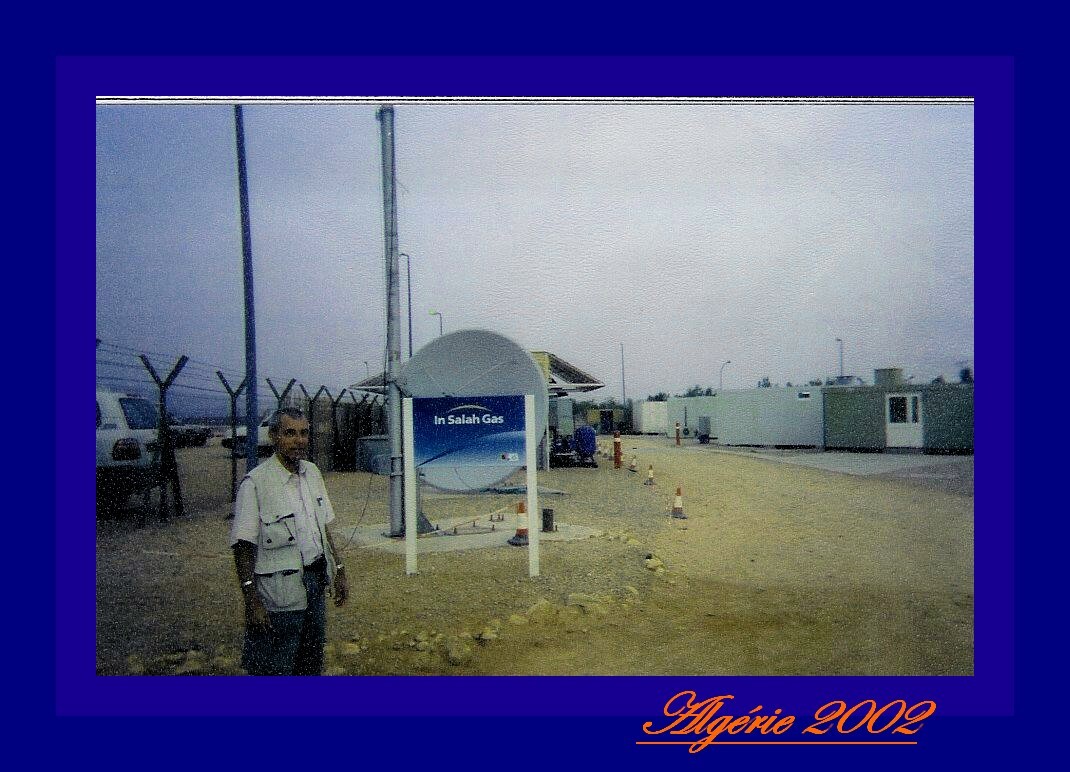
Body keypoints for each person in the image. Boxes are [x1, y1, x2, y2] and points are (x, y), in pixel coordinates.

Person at [229, 407, 348, 675]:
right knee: (276, 666)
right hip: (280, 592)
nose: (299, 440)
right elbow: (242, 547)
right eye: (290, 433)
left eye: (304, 433)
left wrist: (339, 569)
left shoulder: (312, 473)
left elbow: (323, 528)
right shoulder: (256, 484)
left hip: (315, 582)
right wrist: (251, 600)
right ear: (274, 436)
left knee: (310, 661)